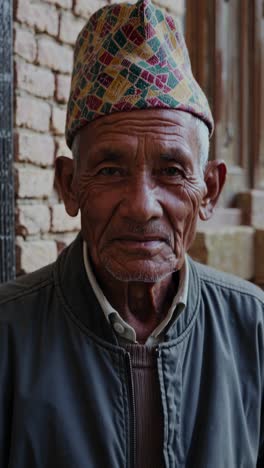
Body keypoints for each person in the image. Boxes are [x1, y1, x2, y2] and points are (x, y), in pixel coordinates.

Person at [0, 0, 263, 466]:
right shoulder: (8, 337)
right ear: (68, 185)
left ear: (210, 190)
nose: (142, 207)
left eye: (171, 170)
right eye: (109, 169)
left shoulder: (254, 329)